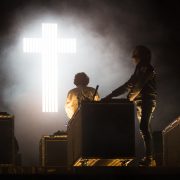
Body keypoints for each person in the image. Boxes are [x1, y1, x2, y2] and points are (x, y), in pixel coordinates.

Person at [102, 45, 157, 167]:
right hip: (140, 101)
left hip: (146, 101)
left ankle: (150, 158)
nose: (133, 58)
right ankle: (149, 158)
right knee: (144, 128)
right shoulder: (139, 69)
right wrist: (111, 95)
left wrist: (128, 97)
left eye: (135, 55)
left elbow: (138, 85)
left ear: (142, 56)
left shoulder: (146, 68)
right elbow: (129, 84)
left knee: (144, 127)